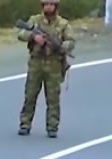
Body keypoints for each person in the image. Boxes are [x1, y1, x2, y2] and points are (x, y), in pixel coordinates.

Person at [16, 0, 76, 138]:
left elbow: (71, 41)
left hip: (54, 64)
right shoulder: (35, 20)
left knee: (53, 98)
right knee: (30, 95)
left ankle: (52, 126)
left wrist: (60, 46)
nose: (49, 6)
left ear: (56, 6)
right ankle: (25, 124)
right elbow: (21, 33)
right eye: (46, 4)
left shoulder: (63, 24)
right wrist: (33, 37)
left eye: (51, 4)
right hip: (36, 63)